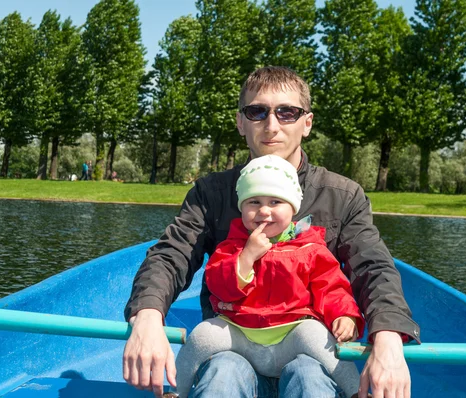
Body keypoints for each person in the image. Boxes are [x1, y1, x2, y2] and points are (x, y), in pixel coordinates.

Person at [123, 66, 421, 398]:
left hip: (309, 350)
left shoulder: (342, 195)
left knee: (310, 379)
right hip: (231, 347)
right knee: (222, 375)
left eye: (287, 112)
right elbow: (171, 255)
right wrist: (148, 316)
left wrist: (389, 336)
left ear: (307, 123)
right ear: (240, 122)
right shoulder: (211, 193)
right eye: (257, 111)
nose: (271, 124)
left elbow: (373, 268)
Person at [175, 154, 363, 398]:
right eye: (254, 202)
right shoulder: (231, 247)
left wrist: (345, 314)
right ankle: (176, 391)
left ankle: (355, 391)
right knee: (202, 335)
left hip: (293, 335)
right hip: (240, 334)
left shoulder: (310, 248)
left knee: (318, 336)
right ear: (241, 207)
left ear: (292, 208)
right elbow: (218, 286)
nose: (264, 211)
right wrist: (246, 258)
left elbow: (332, 287)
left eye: (275, 202)